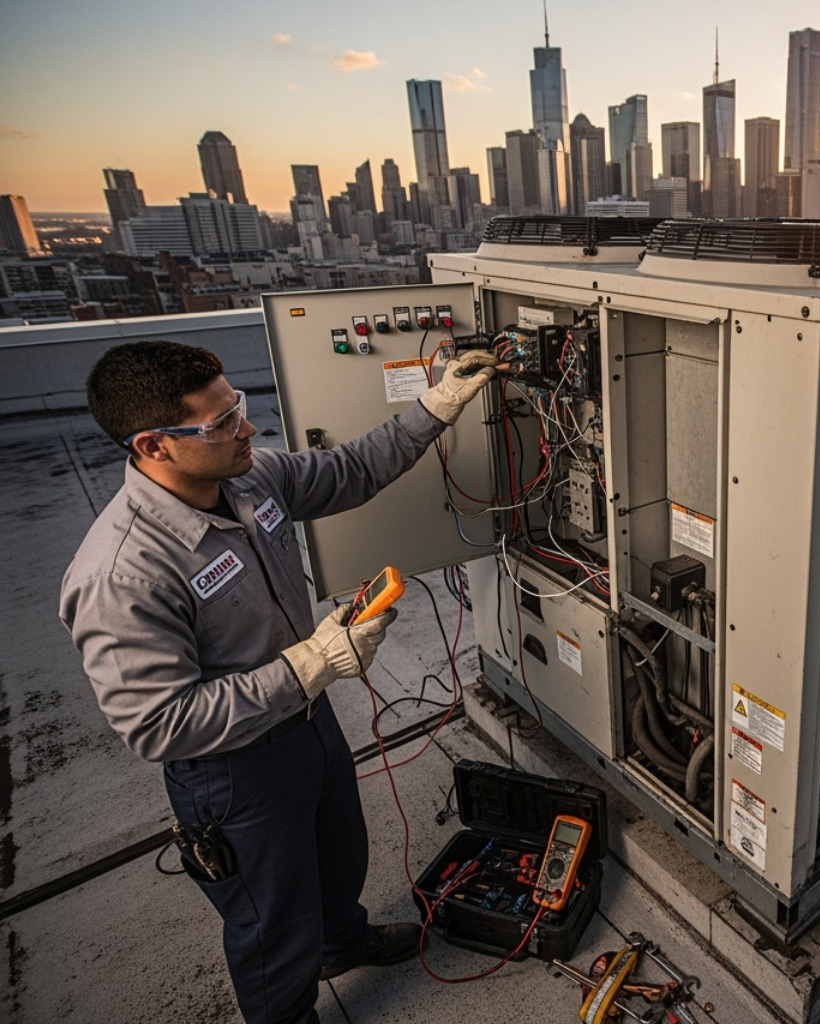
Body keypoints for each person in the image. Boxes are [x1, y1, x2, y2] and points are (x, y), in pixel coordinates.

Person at [59, 340, 502, 1024]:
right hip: (232, 773)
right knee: (272, 924)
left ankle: (341, 943)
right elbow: (158, 725)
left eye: (237, 406)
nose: (247, 427)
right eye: (221, 422)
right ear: (153, 445)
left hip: (308, 724)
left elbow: (348, 471)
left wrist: (436, 406)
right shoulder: (122, 573)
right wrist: (312, 662)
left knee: (337, 855)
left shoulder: (247, 478)